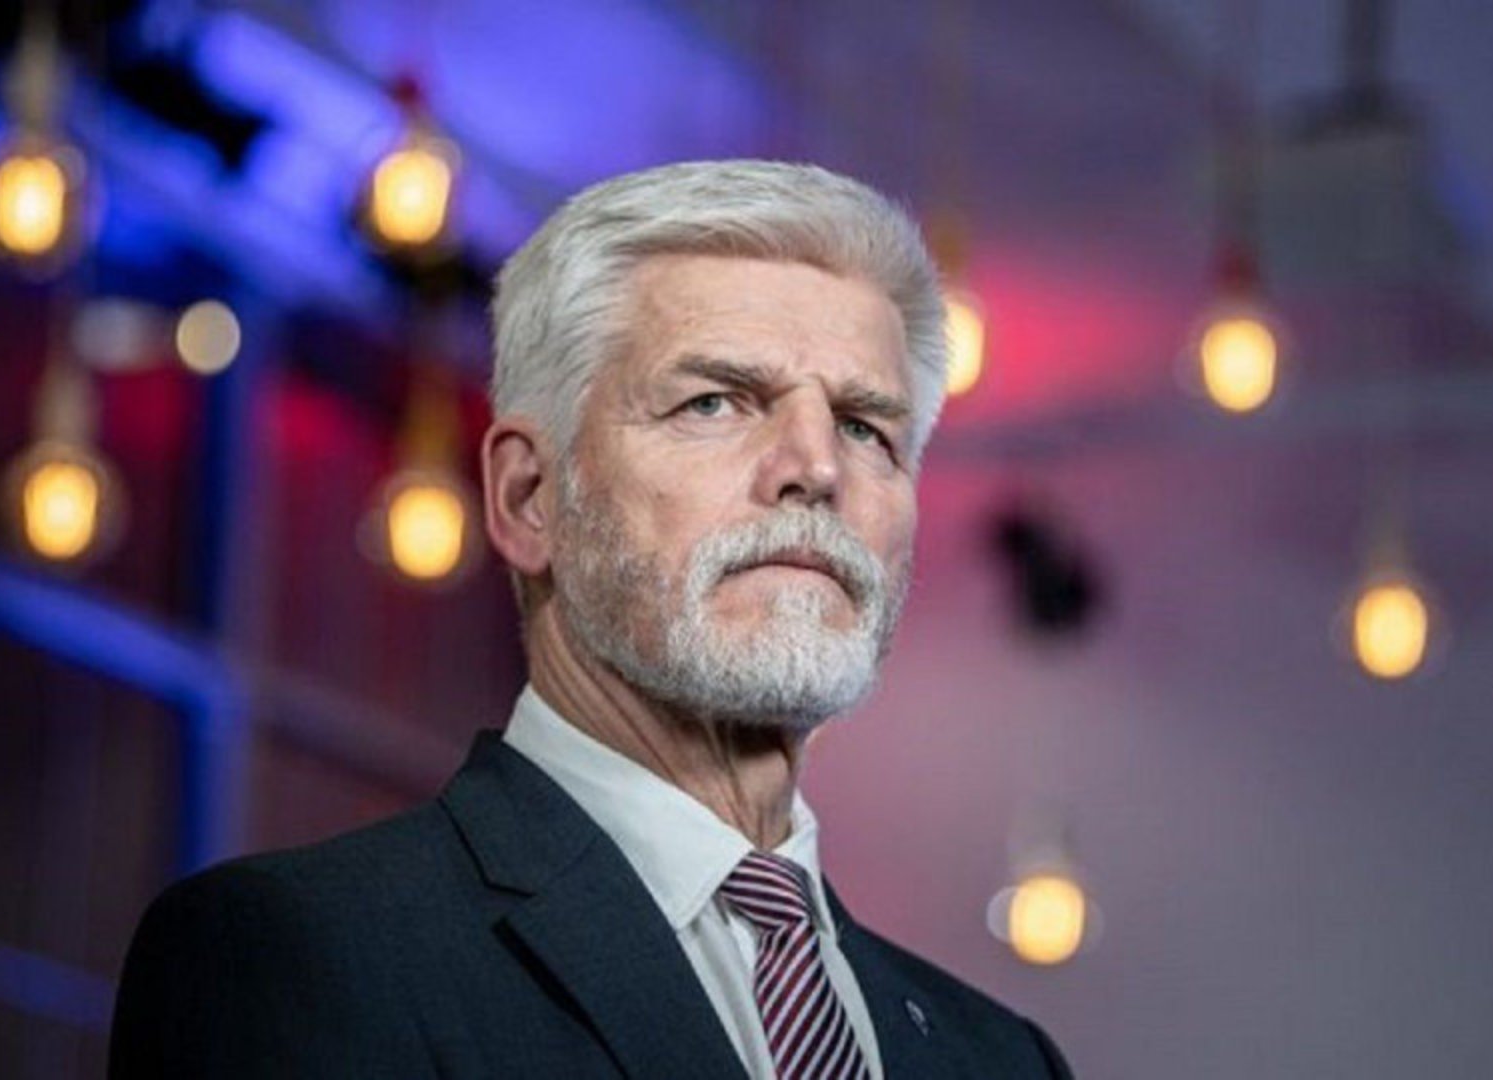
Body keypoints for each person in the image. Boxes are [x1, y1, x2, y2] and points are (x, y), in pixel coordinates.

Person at [110, 160, 1072, 1079]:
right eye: (716, 402)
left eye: (865, 427)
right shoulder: (307, 955)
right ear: (530, 497)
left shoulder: (1004, 1061)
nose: (817, 467)